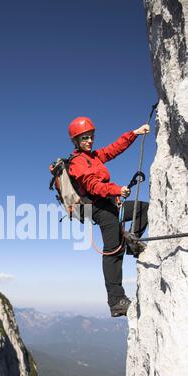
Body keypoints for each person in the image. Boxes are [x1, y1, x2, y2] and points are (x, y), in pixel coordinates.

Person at [68, 116, 149, 317]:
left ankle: (132, 242)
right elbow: (91, 185)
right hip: (97, 207)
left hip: (108, 201)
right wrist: (116, 191)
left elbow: (113, 149)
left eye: (91, 137)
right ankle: (116, 301)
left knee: (143, 209)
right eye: (84, 138)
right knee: (113, 250)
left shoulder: (94, 156)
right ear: (76, 141)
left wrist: (134, 134)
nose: (89, 141)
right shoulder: (77, 162)